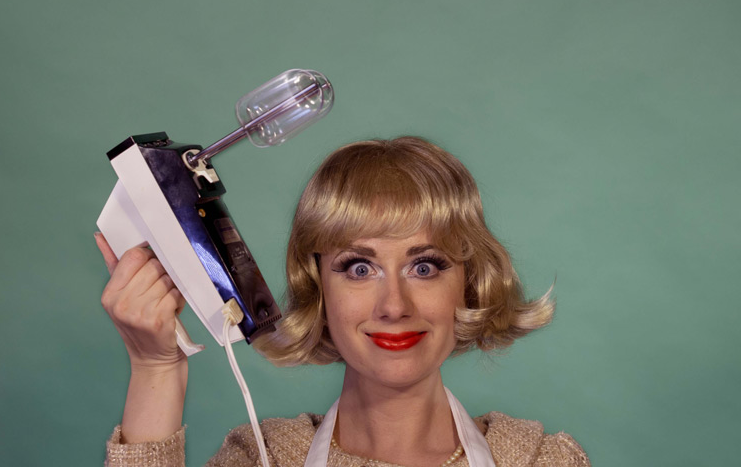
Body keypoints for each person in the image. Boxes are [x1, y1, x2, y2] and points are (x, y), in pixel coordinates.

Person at [97, 136, 590, 467]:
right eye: (359, 268)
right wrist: (156, 367)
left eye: (424, 267)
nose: (393, 305)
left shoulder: (540, 460)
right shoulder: (265, 459)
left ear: (469, 283)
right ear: (319, 290)